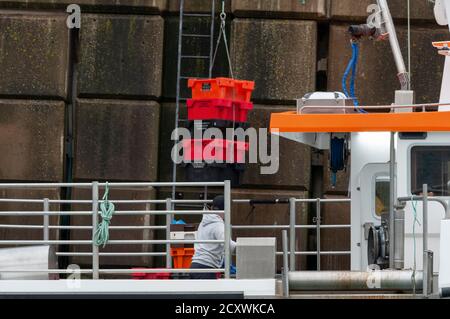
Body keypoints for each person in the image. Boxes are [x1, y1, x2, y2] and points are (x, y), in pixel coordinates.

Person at [190, 195, 236, 279]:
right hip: (206, 268)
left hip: (195, 265)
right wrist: (244, 248)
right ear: (225, 210)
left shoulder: (204, 221)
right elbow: (228, 245)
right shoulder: (218, 225)